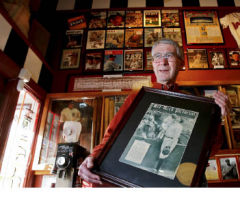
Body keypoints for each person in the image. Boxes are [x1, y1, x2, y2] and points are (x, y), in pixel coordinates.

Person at [78, 38, 229, 185]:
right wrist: (93, 156)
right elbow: (112, 136)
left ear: (181, 63)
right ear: (153, 64)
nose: (163, 62)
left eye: (169, 56)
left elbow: (211, 150)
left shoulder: (194, 102)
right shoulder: (136, 98)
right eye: (157, 56)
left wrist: (218, 119)